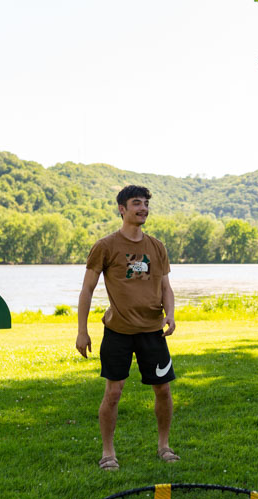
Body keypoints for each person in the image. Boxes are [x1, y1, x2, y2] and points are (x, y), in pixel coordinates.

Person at [75, 184, 178, 471]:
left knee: (163, 391)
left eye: (146, 203)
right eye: (136, 203)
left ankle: (164, 446)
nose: (143, 207)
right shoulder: (106, 246)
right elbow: (87, 289)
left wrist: (170, 314)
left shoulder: (157, 247)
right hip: (118, 332)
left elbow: (166, 287)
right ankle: (108, 453)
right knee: (114, 392)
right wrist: (82, 331)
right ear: (122, 209)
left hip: (152, 332)